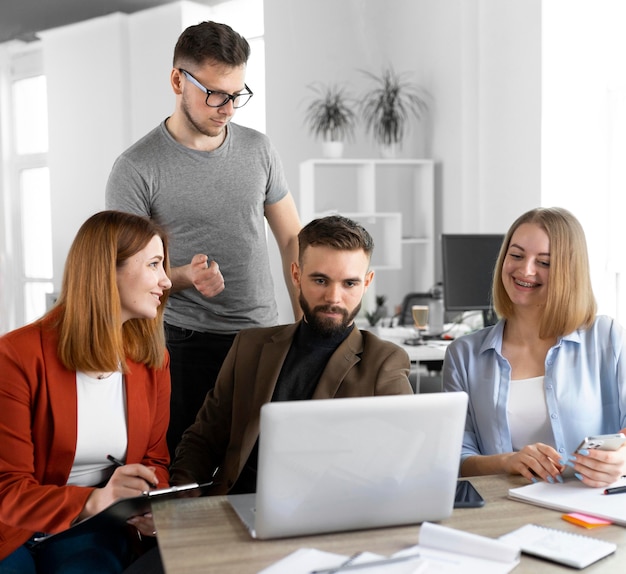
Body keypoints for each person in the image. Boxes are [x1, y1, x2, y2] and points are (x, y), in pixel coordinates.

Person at [105, 20, 302, 457]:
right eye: (214, 93)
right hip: (186, 342)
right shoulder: (136, 168)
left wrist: (305, 327)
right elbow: (121, 276)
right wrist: (184, 277)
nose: (228, 108)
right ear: (178, 80)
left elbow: (293, 241)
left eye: (237, 95)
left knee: (265, 468)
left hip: (264, 337)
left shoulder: (259, 149)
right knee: (189, 474)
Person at [170, 215, 413, 492]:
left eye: (349, 284)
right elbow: (203, 438)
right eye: (321, 280)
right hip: (238, 506)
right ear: (296, 275)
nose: (334, 297)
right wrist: (181, 491)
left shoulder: (385, 362)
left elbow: (401, 464)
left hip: (326, 517)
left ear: (366, 283)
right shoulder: (249, 346)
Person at [0, 211, 172, 573]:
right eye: (154, 264)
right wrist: (96, 499)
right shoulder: (16, 355)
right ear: (107, 271)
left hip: (93, 529)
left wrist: (149, 504)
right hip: (13, 527)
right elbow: (8, 490)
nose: (167, 280)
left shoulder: (153, 361)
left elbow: (156, 461)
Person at [443, 207, 626, 488]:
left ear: (569, 271)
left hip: (591, 507)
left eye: (545, 262)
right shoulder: (463, 355)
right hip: (502, 509)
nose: (525, 270)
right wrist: (508, 461)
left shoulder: (608, 337)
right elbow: (455, 457)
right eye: (516, 255)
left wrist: (621, 458)